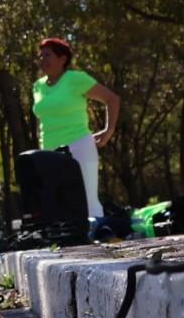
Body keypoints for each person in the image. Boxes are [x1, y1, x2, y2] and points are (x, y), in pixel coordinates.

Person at [32, 38, 121, 235]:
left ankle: (99, 237)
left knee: (87, 198)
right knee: (58, 200)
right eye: (41, 55)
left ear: (62, 58)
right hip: (49, 152)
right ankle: (70, 242)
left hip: (79, 145)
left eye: (47, 54)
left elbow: (111, 99)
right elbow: (43, 119)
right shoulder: (38, 86)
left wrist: (109, 130)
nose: (42, 59)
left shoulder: (75, 79)